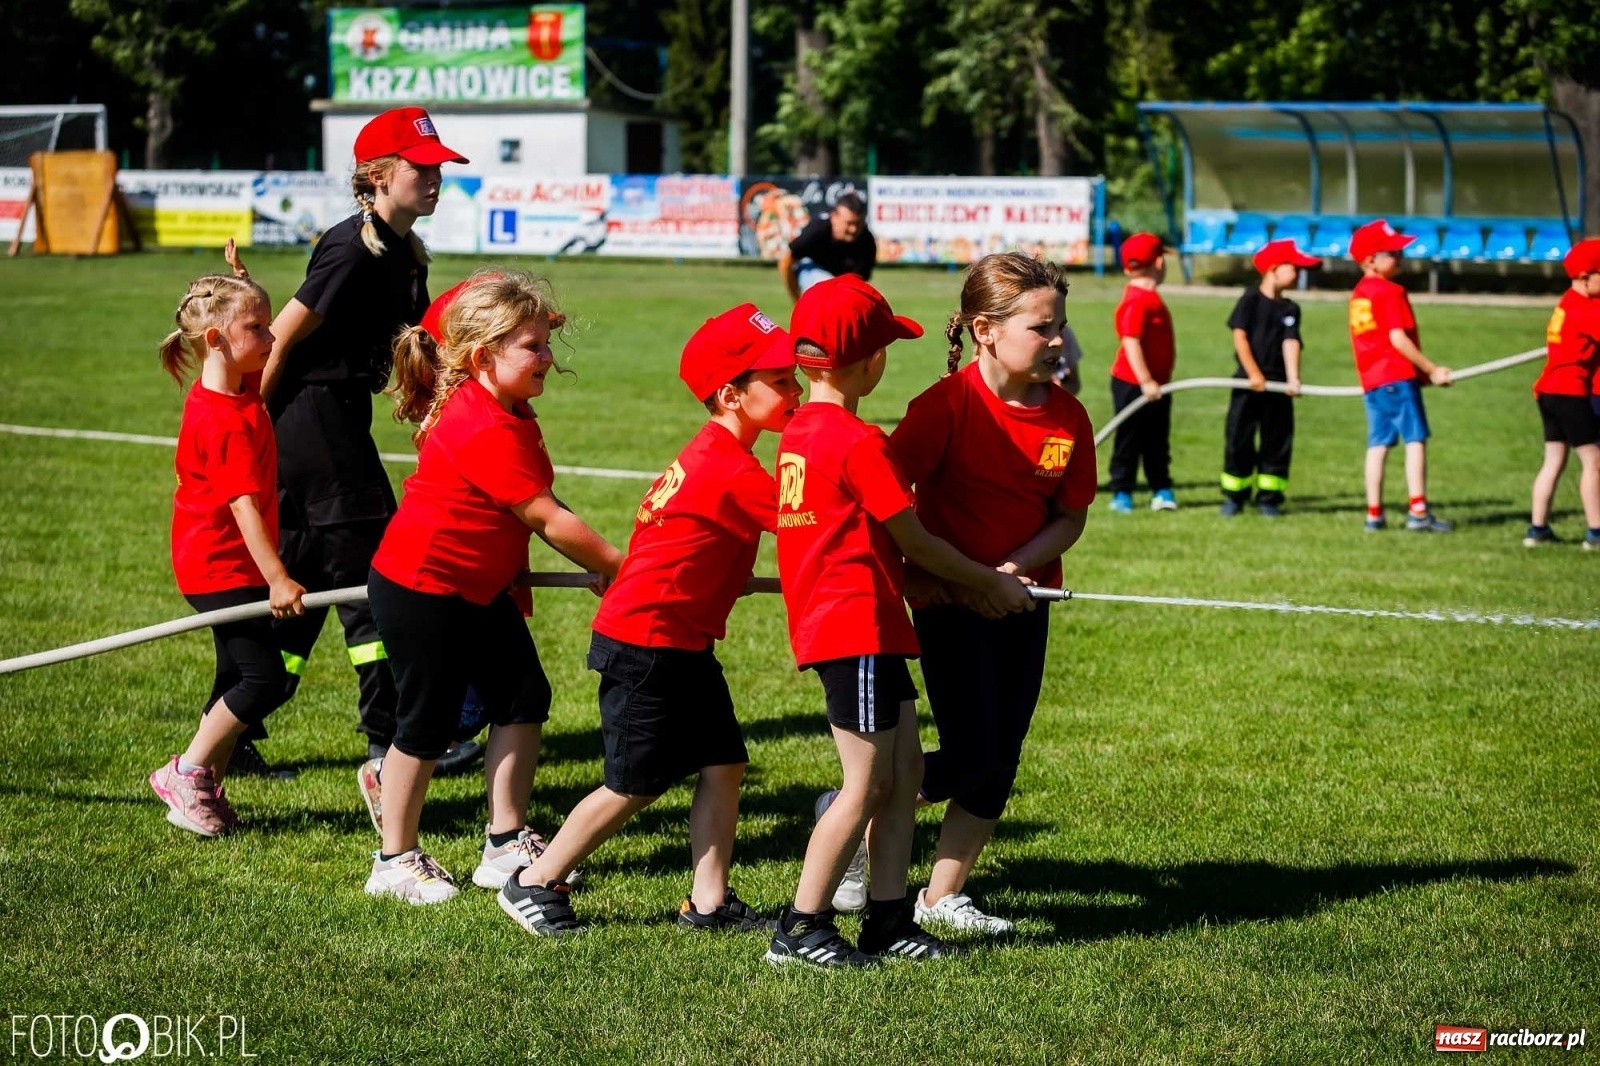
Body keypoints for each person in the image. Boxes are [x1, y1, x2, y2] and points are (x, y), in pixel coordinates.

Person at [498, 304, 803, 937]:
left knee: (724, 763)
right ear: (730, 394)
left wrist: (719, 578)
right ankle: (534, 881)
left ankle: (709, 901)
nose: (795, 391)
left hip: (681, 640)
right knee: (633, 783)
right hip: (648, 643)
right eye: (780, 380)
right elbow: (810, 523)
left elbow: (688, 543)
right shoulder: (733, 468)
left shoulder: (717, 451)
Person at [766, 275, 1034, 969]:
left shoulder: (800, 429)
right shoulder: (858, 441)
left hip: (873, 625)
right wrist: (985, 581)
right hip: (852, 629)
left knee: (907, 767)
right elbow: (914, 537)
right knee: (865, 786)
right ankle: (800, 928)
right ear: (865, 362)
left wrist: (940, 590)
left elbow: (860, 541)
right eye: (885, 345)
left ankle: (887, 921)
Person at [361, 271, 624, 904]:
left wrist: (602, 563)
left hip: (479, 589)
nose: (547, 358)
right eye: (532, 346)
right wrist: (624, 565)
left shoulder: (507, 409)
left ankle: (505, 841)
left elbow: (537, 507)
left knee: (523, 698)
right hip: (427, 588)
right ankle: (393, 859)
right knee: (425, 723)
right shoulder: (480, 423)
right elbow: (545, 516)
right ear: (483, 358)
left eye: (546, 343)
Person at [885, 252, 1095, 935]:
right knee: (974, 750)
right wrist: (955, 580)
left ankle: (942, 895)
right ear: (985, 330)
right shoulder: (945, 407)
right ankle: (857, 807)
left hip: (1023, 603)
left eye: (1060, 325)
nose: (1058, 340)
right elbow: (887, 503)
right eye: (1042, 328)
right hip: (949, 607)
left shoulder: (1069, 420)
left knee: (1002, 752)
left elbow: (1069, 515)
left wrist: (1016, 571)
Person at [256, 107, 469, 778]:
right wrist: (248, 423)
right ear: (377, 177)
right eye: (420, 168)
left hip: (339, 416)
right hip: (310, 417)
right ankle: (391, 743)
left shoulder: (403, 251)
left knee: (309, 573)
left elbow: (420, 343)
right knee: (378, 574)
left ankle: (234, 722)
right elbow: (282, 336)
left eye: (439, 168)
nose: (434, 178)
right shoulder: (350, 248)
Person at [148, 268, 306, 836]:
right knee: (262, 680)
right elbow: (242, 507)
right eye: (257, 328)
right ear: (216, 340)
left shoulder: (235, 389)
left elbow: (248, 347)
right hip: (219, 565)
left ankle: (202, 787)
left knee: (237, 673)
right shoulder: (222, 419)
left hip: (227, 562)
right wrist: (279, 578)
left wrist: (241, 287)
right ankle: (186, 772)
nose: (269, 338)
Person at [1347, 220, 1454, 533]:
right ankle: (1418, 512)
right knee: (1415, 440)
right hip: (1396, 376)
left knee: (1378, 444)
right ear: (1370, 260)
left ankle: (1374, 514)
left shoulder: (1359, 293)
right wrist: (1432, 369)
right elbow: (1398, 339)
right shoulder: (1390, 291)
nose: (1400, 257)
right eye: (1392, 253)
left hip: (1372, 380)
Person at [1219, 239, 1322, 517]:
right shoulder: (1250, 299)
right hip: (1247, 384)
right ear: (1274, 269)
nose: (1299, 274)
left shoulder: (1290, 309)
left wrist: (1293, 378)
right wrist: (1254, 373)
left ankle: (1270, 497)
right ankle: (1235, 496)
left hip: (1277, 386)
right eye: (1295, 268)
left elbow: (1291, 342)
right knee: (1239, 438)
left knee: (1277, 440)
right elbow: (1240, 337)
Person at [1525, 237, 1600, 550]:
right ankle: (1596, 533)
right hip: (1570, 391)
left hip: (1548, 391)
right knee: (1593, 461)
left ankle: (1537, 529)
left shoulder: (1567, 302)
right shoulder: (1587, 310)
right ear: (1585, 277)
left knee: (1553, 461)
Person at [1107, 232, 1178, 513]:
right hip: (1133, 384)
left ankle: (1161, 488)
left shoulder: (1146, 297)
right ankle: (1121, 492)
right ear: (1159, 263)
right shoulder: (1139, 300)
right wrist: (1146, 380)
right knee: (1129, 438)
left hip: (1156, 385)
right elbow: (1131, 341)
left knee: (1157, 440)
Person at [777, 193, 877, 303]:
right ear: (834, 217)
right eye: (849, 223)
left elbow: (860, 283)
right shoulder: (817, 231)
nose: (853, 229)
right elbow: (786, 262)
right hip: (810, 270)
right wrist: (796, 300)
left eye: (858, 224)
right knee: (828, 288)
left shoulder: (867, 241)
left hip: (841, 281)